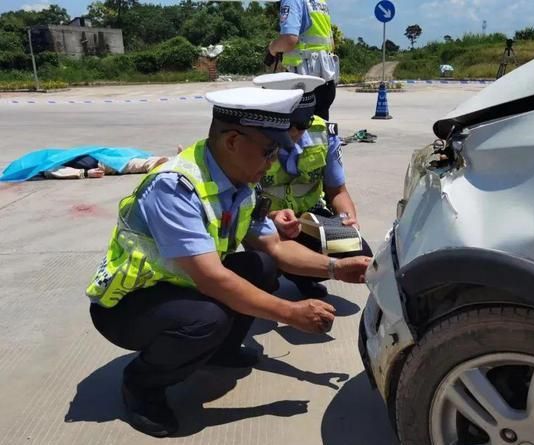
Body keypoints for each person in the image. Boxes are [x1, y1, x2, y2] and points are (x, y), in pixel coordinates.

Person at [85, 87, 371, 438]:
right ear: (233, 141)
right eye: (269, 151)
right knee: (207, 319)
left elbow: (277, 249)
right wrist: (289, 312)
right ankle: (142, 385)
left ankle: (220, 351)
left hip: (178, 287)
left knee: (261, 266)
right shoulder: (176, 188)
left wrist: (336, 269)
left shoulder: (240, 183)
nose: (272, 161)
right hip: (126, 305)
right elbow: (211, 279)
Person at [253, 72, 372, 299]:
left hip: (310, 221)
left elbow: (337, 190)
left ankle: (302, 276)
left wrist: (347, 218)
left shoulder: (323, 134)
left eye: (304, 123)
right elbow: (240, 199)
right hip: (264, 221)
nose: (297, 132)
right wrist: (271, 217)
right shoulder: (253, 137)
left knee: (357, 251)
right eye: (290, 124)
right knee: (263, 268)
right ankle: (272, 272)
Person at [267, 0, 338, 120]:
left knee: (296, 132)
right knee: (318, 132)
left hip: (303, 80)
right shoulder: (319, 2)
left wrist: (272, 48)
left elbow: (289, 40)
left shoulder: (293, 1)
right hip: (325, 77)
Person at [0, 146, 169, 182]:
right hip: (101, 163)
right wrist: (84, 174)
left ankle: (164, 161)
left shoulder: (48, 161)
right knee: (134, 164)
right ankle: (165, 162)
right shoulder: (48, 165)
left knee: (130, 158)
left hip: (100, 157)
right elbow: (55, 171)